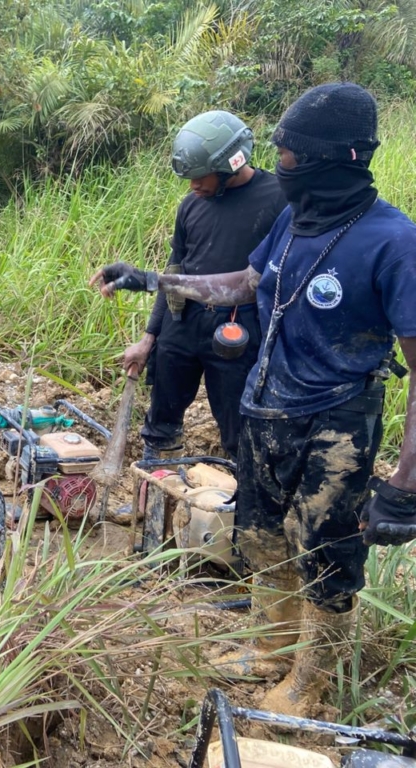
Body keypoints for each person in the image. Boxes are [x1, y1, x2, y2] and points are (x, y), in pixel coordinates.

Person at [90, 83, 416, 718]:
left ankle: (309, 681)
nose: (280, 167)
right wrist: (158, 281)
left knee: (325, 550)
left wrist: (407, 479)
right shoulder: (295, 219)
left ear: (331, 159)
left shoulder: (394, 241)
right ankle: (269, 647)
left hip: (338, 419)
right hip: (267, 404)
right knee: (262, 535)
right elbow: (244, 282)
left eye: (289, 156)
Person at [124, 111, 285, 464]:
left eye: (200, 177)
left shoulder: (279, 200)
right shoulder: (191, 205)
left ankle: (242, 493)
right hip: (181, 321)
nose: (193, 186)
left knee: (238, 429)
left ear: (230, 164)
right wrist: (149, 338)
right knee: (161, 420)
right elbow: (175, 270)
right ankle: (156, 484)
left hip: (238, 328)